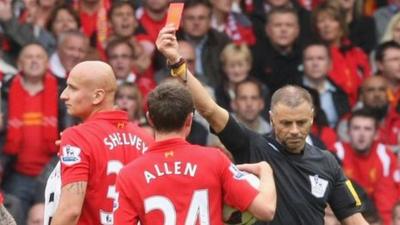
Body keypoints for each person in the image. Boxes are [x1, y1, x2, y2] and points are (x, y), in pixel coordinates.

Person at [156, 24, 369, 225]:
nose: (294, 130)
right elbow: (210, 110)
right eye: (286, 122)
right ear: (271, 118)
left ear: (312, 118)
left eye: (301, 122)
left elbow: (354, 220)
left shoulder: (327, 162)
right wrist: (177, 62)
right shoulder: (251, 145)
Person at [114, 79, 277, 225]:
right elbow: (266, 210)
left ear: (150, 119)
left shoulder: (129, 174)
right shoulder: (214, 159)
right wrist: (266, 169)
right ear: (190, 119)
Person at [45, 61, 154, 225]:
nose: (64, 95)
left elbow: (70, 211)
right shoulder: (147, 140)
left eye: (73, 88)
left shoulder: (76, 137)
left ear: (97, 96)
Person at [332, 109, 399, 225]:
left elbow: (386, 202)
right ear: (348, 132)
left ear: (376, 134)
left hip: (374, 219)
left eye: (367, 129)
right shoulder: (336, 153)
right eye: (356, 128)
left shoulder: (384, 156)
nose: (361, 134)